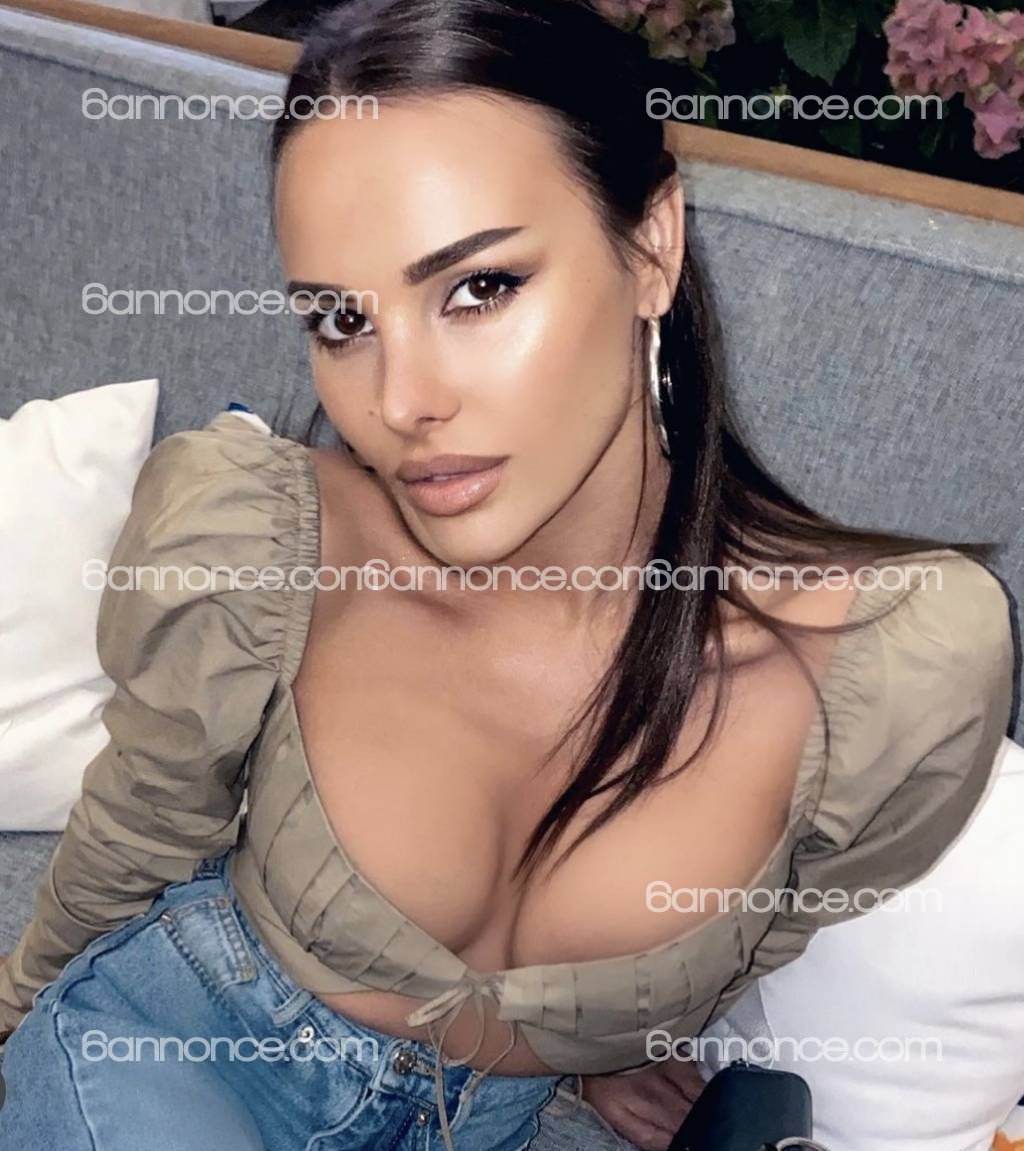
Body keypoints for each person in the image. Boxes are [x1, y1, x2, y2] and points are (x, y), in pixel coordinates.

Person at [0, 1, 1015, 1149]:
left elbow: (774, 919)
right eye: (340, 320)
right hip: (176, 1053)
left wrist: (599, 1037)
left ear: (652, 247)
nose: (400, 400)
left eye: (478, 288)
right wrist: (15, 1011)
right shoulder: (259, 545)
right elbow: (139, 825)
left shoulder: (894, 669)